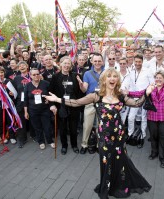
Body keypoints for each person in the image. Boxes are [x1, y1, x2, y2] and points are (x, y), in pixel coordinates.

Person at [44, 68, 151, 199]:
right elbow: (76, 102)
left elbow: (137, 104)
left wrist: (147, 93)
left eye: (114, 76)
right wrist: (58, 99)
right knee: (106, 162)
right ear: (104, 80)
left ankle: (118, 185)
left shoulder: (121, 95)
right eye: (109, 76)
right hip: (104, 137)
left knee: (120, 160)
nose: (112, 79)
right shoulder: (96, 96)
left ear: (117, 79)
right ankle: (106, 187)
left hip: (119, 136)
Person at [48, 56, 84, 154]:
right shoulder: (55, 77)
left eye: (68, 63)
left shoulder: (76, 76)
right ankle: (64, 146)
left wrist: (80, 103)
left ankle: (74, 145)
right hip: (61, 106)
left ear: (71, 65)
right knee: (62, 128)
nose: (66, 65)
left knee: (73, 128)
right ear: (60, 64)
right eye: (65, 63)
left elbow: (81, 92)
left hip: (73, 106)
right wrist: (52, 105)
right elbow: (50, 92)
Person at [24, 68, 55, 150]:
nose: (36, 76)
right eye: (34, 74)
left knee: (47, 126)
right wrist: (26, 112)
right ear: (30, 76)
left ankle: (50, 141)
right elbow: (25, 100)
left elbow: (51, 95)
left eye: (37, 74)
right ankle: (41, 141)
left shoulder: (46, 83)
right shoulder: (27, 86)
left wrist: (49, 101)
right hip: (33, 110)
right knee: (37, 127)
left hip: (45, 109)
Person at [0, 66, 17, 144]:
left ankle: (12, 136)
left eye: (2, 72)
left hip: (9, 106)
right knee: (1, 122)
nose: (0, 74)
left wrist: (12, 94)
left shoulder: (8, 82)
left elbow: (14, 93)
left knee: (10, 121)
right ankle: (3, 136)